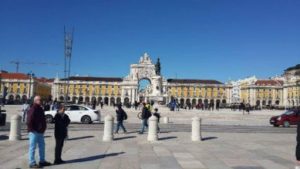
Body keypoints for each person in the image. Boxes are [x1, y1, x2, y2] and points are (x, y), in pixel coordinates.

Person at [27, 96, 51, 168]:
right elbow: (29, 120)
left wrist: (43, 128)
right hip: (34, 131)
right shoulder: (33, 109)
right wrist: (31, 129)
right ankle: (32, 163)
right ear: (35, 101)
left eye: (41, 100)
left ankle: (42, 161)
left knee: (42, 147)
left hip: (40, 131)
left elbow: (43, 119)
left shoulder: (40, 108)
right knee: (32, 147)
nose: (41, 101)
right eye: (40, 100)